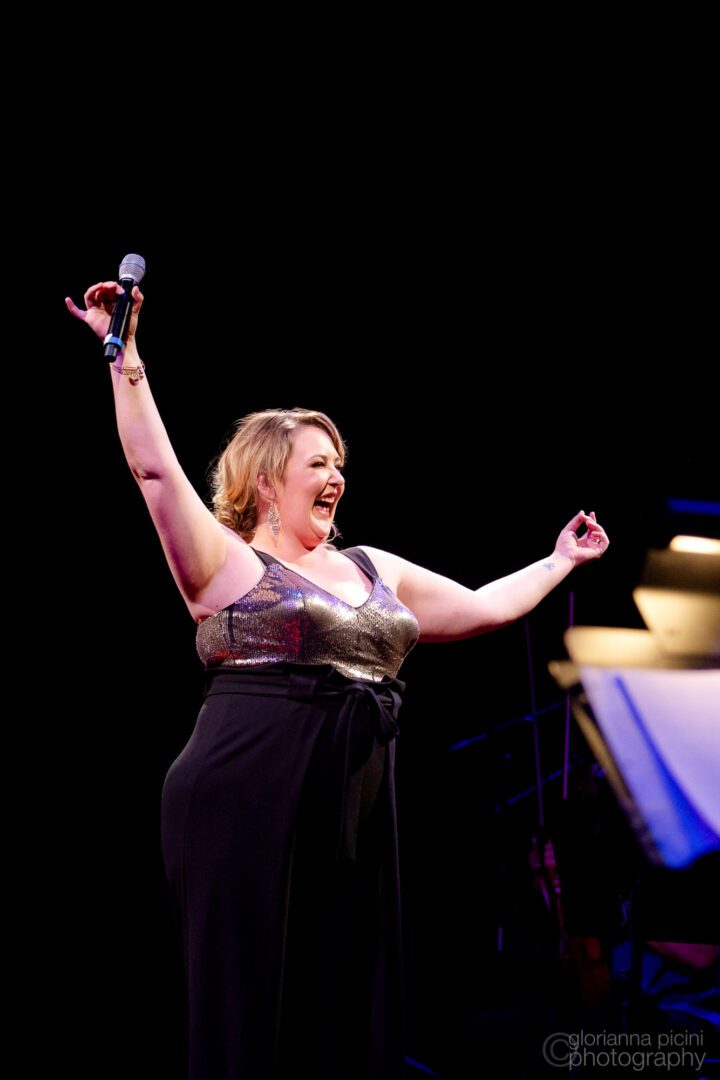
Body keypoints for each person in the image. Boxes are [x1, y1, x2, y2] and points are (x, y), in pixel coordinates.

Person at [66, 277, 610, 1080]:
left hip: (352, 795)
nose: (337, 476)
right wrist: (126, 354)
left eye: (340, 463)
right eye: (318, 463)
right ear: (265, 482)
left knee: (340, 996)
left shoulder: (371, 566)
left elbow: (482, 608)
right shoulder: (225, 565)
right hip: (245, 788)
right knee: (252, 996)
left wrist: (560, 560)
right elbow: (154, 472)